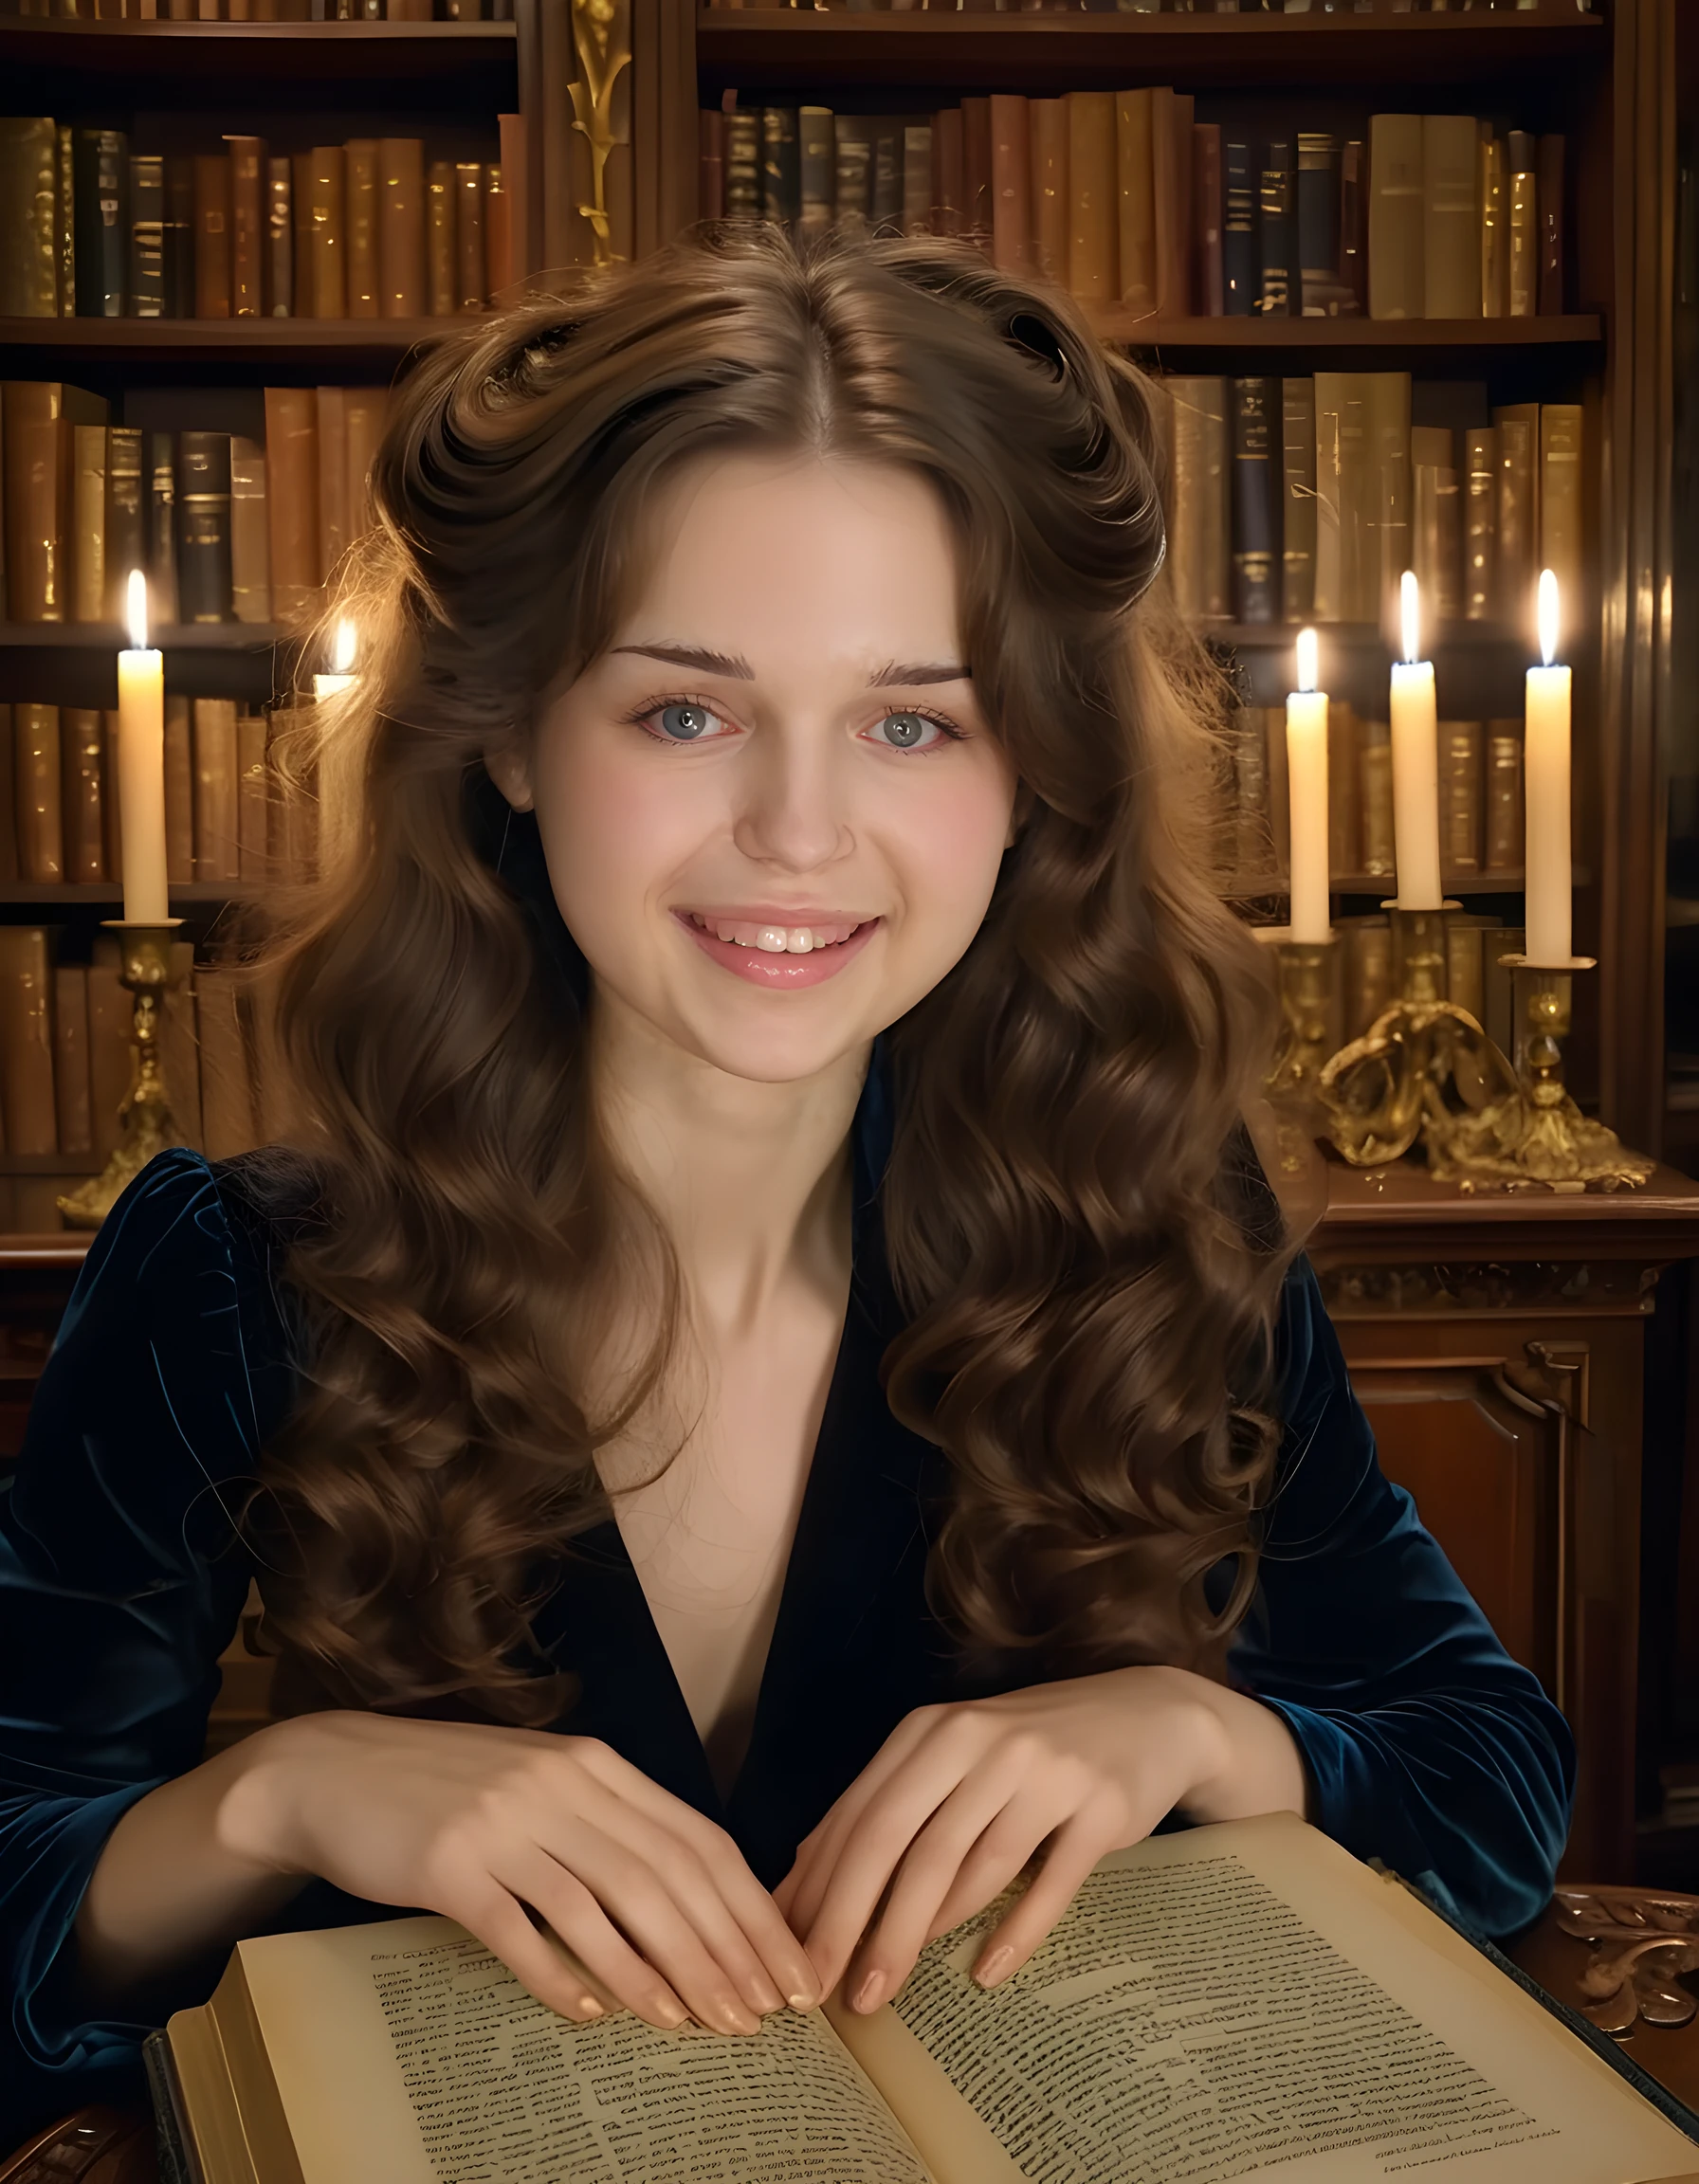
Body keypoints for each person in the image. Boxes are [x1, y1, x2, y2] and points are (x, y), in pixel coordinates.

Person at [0, 227, 1572, 2144]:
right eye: (685, 711)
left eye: (912, 721)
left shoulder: (1169, 1229)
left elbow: (1488, 1778)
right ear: (504, 733)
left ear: (1028, 784)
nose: (798, 835)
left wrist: (1209, 1730)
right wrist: (280, 1793)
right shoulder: (235, 1273)